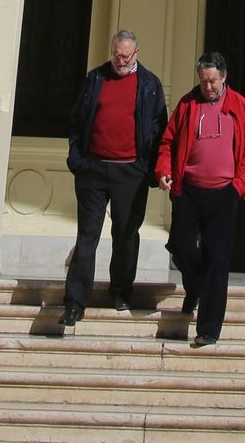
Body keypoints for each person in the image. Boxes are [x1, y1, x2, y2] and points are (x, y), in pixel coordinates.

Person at [61, 28, 168, 328]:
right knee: (87, 236)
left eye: (126, 56)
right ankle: (74, 303)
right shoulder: (95, 78)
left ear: (137, 53)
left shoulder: (149, 84)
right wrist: (76, 159)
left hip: (130, 172)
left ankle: (120, 291)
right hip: (93, 169)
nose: (120, 61)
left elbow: (160, 128)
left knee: (125, 234)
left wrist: (151, 169)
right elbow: (77, 119)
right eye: (116, 55)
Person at [155, 50, 245, 347]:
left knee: (217, 259)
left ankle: (209, 329)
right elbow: (168, 142)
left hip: (224, 192)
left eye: (213, 81)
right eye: (203, 81)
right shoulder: (188, 104)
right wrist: (164, 170)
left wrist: (238, 186)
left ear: (224, 78)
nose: (208, 86)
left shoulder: (240, 107)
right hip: (188, 189)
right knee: (181, 247)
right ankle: (196, 286)